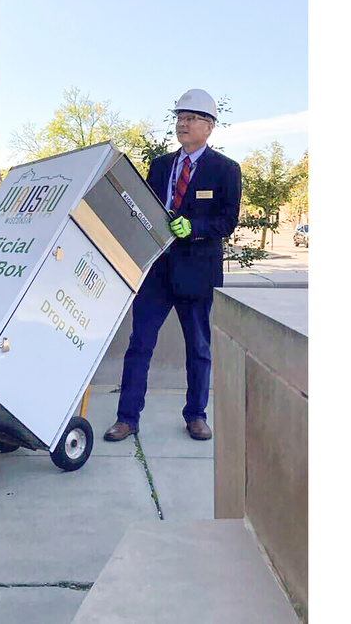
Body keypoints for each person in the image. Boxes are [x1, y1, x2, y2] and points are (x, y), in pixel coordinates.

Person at [104, 88, 241, 442]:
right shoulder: (162, 166)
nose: (183, 124)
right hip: (157, 272)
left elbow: (227, 221)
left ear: (209, 127)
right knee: (140, 345)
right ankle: (127, 417)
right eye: (180, 118)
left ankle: (196, 415)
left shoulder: (225, 170)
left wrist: (193, 228)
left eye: (192, 118)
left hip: (197, 273)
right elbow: (145, 211)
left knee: (198, 348)